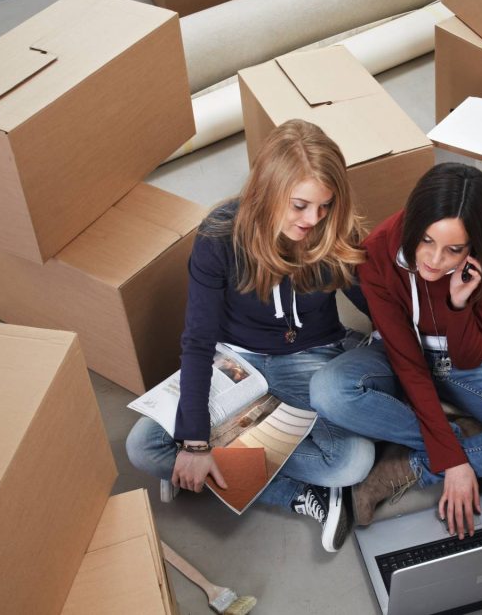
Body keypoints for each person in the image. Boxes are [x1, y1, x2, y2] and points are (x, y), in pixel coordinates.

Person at [126, 119, 374, 552]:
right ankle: (297, 494)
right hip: (237, 362)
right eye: (299, 206)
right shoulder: (220, 236)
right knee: (142, 448)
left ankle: (211, 468)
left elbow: (377, 304)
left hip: (312, 358)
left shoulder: (332, 229)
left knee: (351, 463)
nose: (313, 220)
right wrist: (196, 441)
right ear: (269, 190)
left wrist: (436, 331)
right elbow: (198, 340)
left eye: (324, 206)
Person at [310, 162, 482, 539]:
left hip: (460, 361)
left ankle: (411, 465)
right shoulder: (378, 250)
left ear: (475, 244)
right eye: (426, 240)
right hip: (396, 356)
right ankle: (469, 441)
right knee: (329, 390)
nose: (434, 259)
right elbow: (407, 363)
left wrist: (458, 308)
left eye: (453, 249)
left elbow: (470, 357)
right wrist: (454, 458)